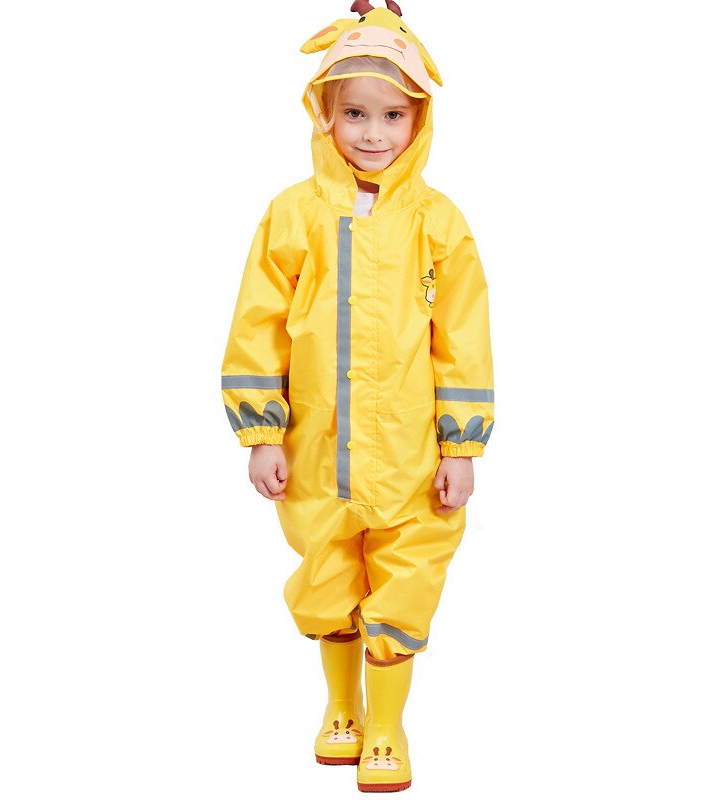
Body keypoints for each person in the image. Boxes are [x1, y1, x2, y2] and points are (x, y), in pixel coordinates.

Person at [220, 2, 494, 792]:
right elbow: (257, 323)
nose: (373, 133)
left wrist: (462, 445)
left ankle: (387, 725)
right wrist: (261, 433)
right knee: (328, 573)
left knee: (408, 578)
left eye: (392, 116)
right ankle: (341, 707)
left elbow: (463, 338)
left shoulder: (439, 223)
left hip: (411, 454)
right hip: (316, 449)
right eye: (355, 115)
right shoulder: (293, 215)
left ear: (419, 118)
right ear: (324, 114)